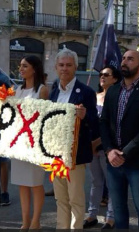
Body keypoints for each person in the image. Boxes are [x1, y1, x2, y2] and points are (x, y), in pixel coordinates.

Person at [100, 50, 139, 229]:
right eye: (124, 58)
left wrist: (124, 154)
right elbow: (103, 122)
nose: (125, 62)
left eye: (130, 59)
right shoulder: (112, 91)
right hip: (113, 162)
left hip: (138, 163)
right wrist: (110, 150)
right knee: (118, 209)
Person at [50, 48, 99, 229]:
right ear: (56, 67)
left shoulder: (86, 92)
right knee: (60, 198)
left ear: (75, 67)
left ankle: (75, 228)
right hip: (55, 154)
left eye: (68, 65)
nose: (65, 68)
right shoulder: (54, 90)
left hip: (75, 154)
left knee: (75, 198)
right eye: (61, 65)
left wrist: (85, 116)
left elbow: (95, 123)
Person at [11, 56, 49, 229]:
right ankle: (25, 220)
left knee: (35, 183)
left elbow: (45, 119)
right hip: (18, 142)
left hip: (34, 143)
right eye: (21, 66)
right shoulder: (16, 89)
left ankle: (36, 220)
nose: (21, 69)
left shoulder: (42, 90)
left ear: (34, 69)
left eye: (25, 66)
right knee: (22, 183)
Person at [84, 65, 121, 230]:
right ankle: (92, 215)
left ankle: (111, 218)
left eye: (107, 74)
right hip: (92, 147)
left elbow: (113, 127)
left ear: (115, 78)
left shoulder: (117, 98)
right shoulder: (94, 97)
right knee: (96, 182)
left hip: (107, 147)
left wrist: (97, 143)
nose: (102, 77)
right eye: (101, 74)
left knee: (111, 183)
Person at [0, 72, 12, 206]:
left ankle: (4, 193)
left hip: (2, 125)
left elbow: (10, 102)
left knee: (3, 161)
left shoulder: (2, 79)